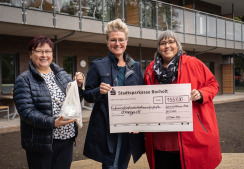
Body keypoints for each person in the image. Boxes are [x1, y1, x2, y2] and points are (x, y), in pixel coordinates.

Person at [143, 30, 222, 169]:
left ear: (177, 45)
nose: (167, 46)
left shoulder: (193, 63)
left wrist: (201, 93)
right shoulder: (151, 69)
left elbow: (213, 84)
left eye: (171, 42)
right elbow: (145, 97)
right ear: (158, 48)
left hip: (189, 136)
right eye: (163, 43)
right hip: (160, 139)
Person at [82, 18, 145, 169]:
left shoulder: (136, 67)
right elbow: (88, 95)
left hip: (129, 127)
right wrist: (99, 91)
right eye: (113, 40)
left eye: (121, 40)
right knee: (111, 165)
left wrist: (140, 123)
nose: (117, 43)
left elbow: (142, 97)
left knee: (122, 164)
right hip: (107, 128)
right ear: (107, 42)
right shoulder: (98, 65)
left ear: (126, 42)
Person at [13, 35, 84, 169]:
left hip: (67, 138)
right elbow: (26, 112)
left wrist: (78, 87)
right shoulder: (24, 80)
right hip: (41, 143)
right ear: (30, 54)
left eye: (47, 51)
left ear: (52, 54)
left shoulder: (62, 75)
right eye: (39, 51)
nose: (44, 55)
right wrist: (53, 122)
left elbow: (73, 102)